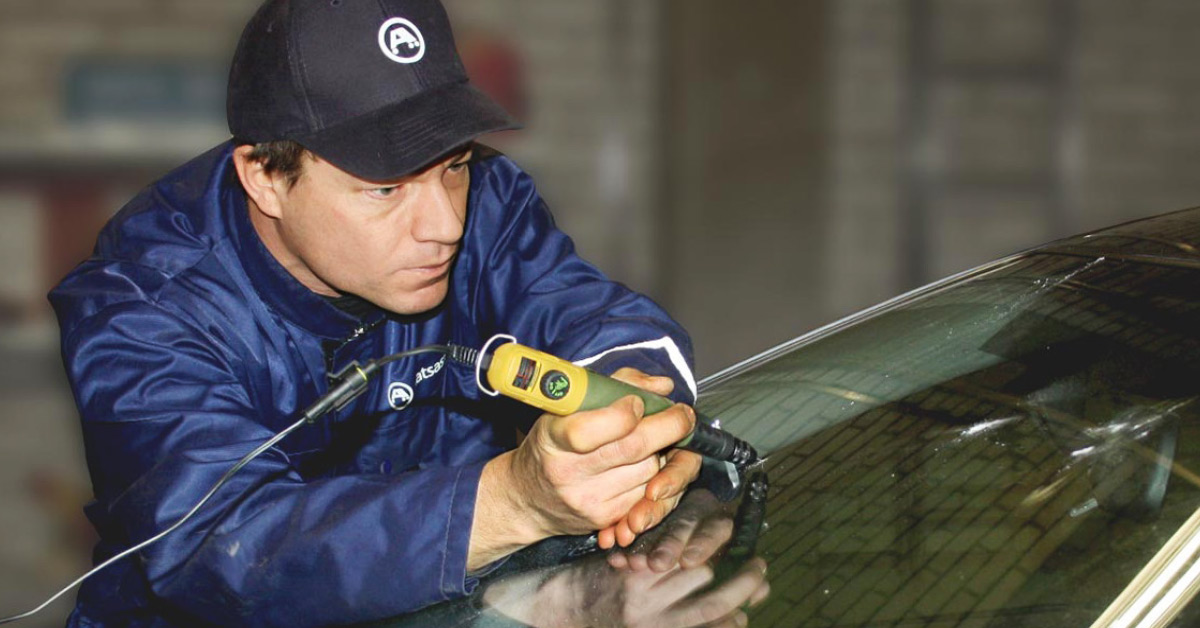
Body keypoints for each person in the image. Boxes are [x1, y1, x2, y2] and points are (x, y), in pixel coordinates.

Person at [46, 0, 732, 626]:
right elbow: (223, 551)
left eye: (453, 165)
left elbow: (591, 315)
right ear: (265, 177)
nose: (443, 223)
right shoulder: (142, 305)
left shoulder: (485, 205)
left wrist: (631, 418)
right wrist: (510, 502)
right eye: (383, 188)